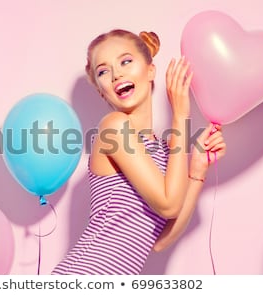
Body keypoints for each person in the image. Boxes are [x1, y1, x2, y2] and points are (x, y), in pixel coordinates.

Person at [51, 29, 226, 275]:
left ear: (150, 70)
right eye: (103, 71)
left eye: (125, 61)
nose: (116, 74)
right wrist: (180, 115)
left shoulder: (166, 150)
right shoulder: (114, 127)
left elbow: (160, 240)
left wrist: (196, 172)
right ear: (101, 91)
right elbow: (169, 206)